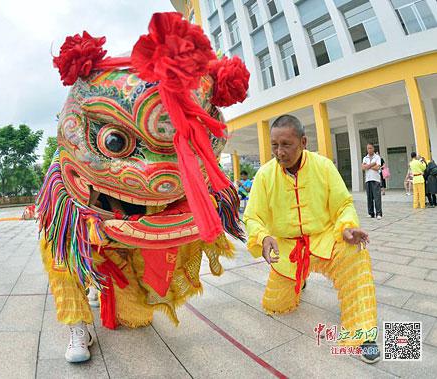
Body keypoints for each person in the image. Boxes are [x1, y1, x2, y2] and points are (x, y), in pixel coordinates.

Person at [38, 13, 248, 364]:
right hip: (84, 213)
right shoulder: (67, 174)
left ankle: (104, 285)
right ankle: (77, 323)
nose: (156, 172)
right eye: (116, 140)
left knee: (135, 316)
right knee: (59, 254)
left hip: (129, 233)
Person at [244, 115, 379, 364]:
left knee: (356, 254)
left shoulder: (324, 166)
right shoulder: (264, 175)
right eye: (274, 145)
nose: (279, 152)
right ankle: (299, 279)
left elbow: (343, 204)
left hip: (324, 240)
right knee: (275, 306)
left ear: (303, 142)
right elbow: (252, 216)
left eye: (286, 144)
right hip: (288, 249)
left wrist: (347, 227)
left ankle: (362, 333)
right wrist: (263, 237)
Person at [362, 144, 382, 219]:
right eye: (368, 148)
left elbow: (377, 167)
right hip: (368, 179)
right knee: (369, 197)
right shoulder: (365, 158)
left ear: (373, 148)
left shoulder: (377, 157)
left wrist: (368, 166)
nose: (369, 150)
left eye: (370, 148)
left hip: (375, 179)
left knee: (377, 197)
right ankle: (370, 213)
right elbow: (363, 168)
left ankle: (379, 213)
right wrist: (372, 164)